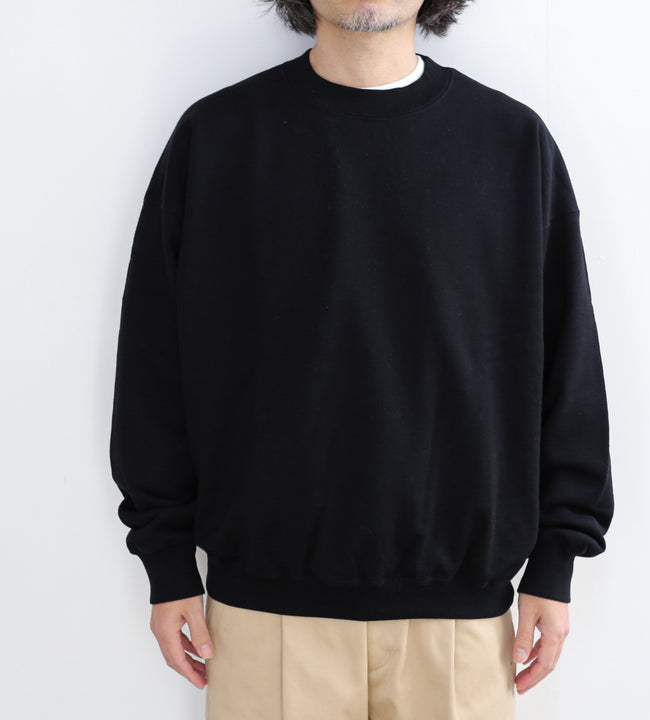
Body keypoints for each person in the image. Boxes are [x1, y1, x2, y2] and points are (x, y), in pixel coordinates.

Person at [109, 1, 614, 718]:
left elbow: (569, 367)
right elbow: (153, 365)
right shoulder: (217, 138)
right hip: (262, 618)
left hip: (462, 624)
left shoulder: (510, 143)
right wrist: (165, 562)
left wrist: (557, 560)